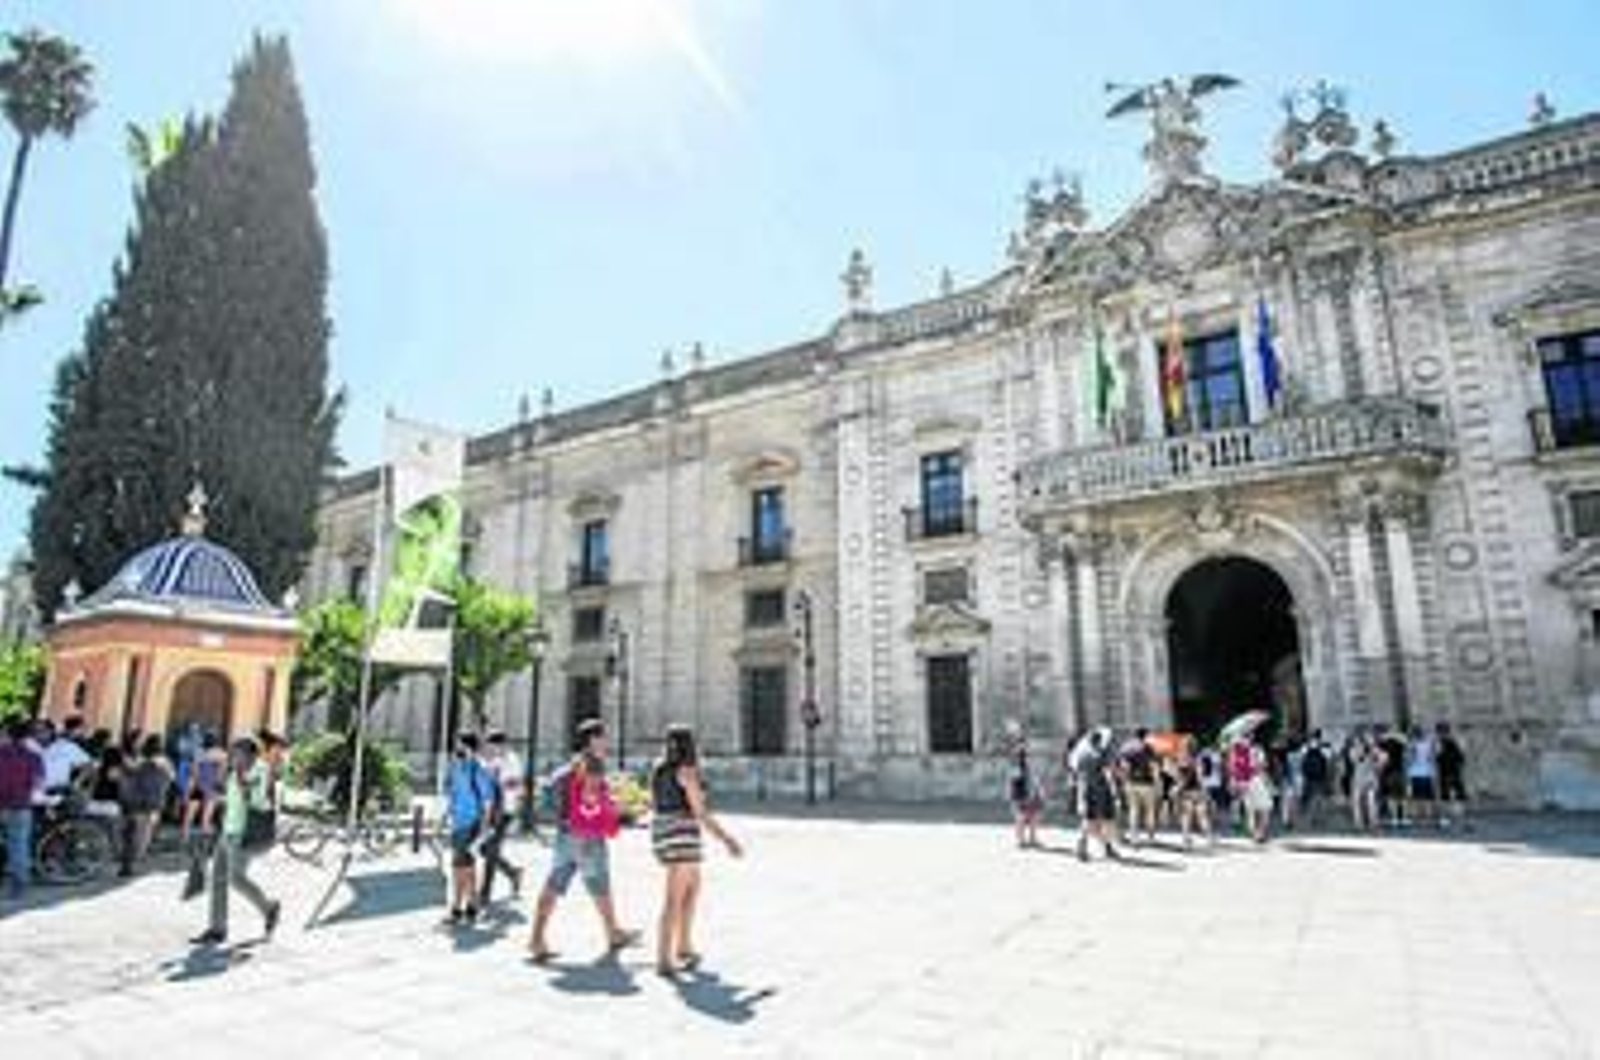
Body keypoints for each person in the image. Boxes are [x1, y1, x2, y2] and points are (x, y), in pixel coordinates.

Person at [527, 719, 639, 962]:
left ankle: (536, 937)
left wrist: (562, 818)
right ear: (592, 740)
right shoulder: (591, 765)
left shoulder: (566, 769)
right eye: (602, 737)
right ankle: (613, 933)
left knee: (554, 884)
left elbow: (547, 797)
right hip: (588, 837)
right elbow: (597, 802)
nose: (606, 742)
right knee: (600, 885)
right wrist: (622, 812)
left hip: (565, 835)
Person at [650, 725, 742, 976]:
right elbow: (700, 812)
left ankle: (684, 945)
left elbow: (656, 803)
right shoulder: (686, 772)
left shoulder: (659, 769)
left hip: (663, 831)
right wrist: (727, 839)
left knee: (692, 889)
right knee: (674, 897)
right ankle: (663, 958)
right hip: (682, 833)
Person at [192, 738, 281, 946]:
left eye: (236, 752)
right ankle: (217, 929)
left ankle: (268, 908)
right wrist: (213, 788)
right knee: (218, 879)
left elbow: (258, 801)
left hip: (245, 833)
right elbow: (229, 797)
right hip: (228, 830)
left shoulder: (260, 770)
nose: (232, 756)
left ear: (250, 753)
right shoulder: (236, 769)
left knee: (236, 879)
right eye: (232, 752)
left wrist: (241, 779)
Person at [445, 731, 499, 924]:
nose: (456, 748)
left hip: (472, 824)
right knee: (460, 867)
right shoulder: (456, 767)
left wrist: (484, 828)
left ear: (469, 747)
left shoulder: (480, 770)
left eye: (459, 745)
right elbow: (453, 794)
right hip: (457, 823)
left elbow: (488, 802)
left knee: (464, 867)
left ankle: (462, 907)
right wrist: (446, 817)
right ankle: (468, 906)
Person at [479, 730, 525, 905]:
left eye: (493, 746)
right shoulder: (490, 761)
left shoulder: (512, 760)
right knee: (485, 849)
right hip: (490, 811)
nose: (491, 750)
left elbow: (517, 784)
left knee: (491, 849)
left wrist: (501, 784)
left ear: (502, 745)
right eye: (489, 747)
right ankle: (513, 873)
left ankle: (485, 893)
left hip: (506, 810)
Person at [1, 718, 45, 900]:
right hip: (21, 804)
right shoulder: (33, 756)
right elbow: (38, 782)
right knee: (19, 846)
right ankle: (19, 885)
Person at [118, 735, 173, 877]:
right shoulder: (164, 762)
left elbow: (130, 772)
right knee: (145, 831)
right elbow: (171, 778)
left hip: (137, 799)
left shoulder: (142, 761)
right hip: (154, 800)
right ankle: (135, 859)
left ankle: (129, 861)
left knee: (135, 830)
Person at [1074, 729, 1121, 862]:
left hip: (1086, 788)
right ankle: (1104, 847)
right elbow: (1109, 773)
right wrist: (1115, 792)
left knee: (1089, 820)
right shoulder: (1100, 754)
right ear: (1100, 741)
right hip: (1101, 789)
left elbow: (1077, 772)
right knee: (1105, 820)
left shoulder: (1082, 754)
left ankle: (1087, 847)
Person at [181, 732, 227, 846]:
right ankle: (204, 840)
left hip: (198, 786)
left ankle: (185, 837)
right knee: (206, 816)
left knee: (190, 814)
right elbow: (221, 773)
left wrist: (188, 789)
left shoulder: (199, 753)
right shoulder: (221, 754)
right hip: (212, 787)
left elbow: (194, 772)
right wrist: (220, 785)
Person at [1119, 728, 1161, 845]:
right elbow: (1154, 767)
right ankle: (1150, 837)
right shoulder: (1148, 748)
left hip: (1131, 783)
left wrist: (1124, 781)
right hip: (1147, 783)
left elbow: (1124, 767)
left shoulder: (1126, 748)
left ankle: (1134, 837)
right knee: (1149, 811)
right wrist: (1158, 784)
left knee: (1133, 810)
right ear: (1145, 736)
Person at [1006, 732, 1045, 849]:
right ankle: (1020, 840)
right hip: (1020, 791)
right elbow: (1014, 777)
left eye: (1024, 744)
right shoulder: (1014, 759)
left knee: (1034, 815)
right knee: (1021, 817)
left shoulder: (1026, 758)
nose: (1023, 746)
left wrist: (1038, 787)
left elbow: (1033, 774)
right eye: (1021, 744)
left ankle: (1032, 838)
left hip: (1030, 790)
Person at [1349, 730, 1384, 833]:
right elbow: (1354, 760)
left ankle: (1373, 824)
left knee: (1371, 802)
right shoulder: (1355, 750)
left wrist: (1375, 757)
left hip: (1370, 778)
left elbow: (1383, 760)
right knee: (1356, 802)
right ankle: (1358, 824)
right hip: (1359, 778)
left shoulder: (1375, 751)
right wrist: (1362, 752)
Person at [1435, 722, 1469, 830]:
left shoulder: (1439, 743)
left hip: (1445, 773)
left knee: (1446, 797)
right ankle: (1459, 819)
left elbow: (1437, 758)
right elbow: (1463, 758)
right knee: (1458, 797)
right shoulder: (1457, 741)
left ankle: (1445, 820)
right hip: (1455, 772)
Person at [1405, 725, 1439, 828]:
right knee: (1428, 798)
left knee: (1416, 798)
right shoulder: (1428, 744)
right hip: (1427, 773)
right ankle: (1428, 819)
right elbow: (1432, 758)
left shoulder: (1411, 745)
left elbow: (1409, 759)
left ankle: (1418, 820)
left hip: (1415, 773)